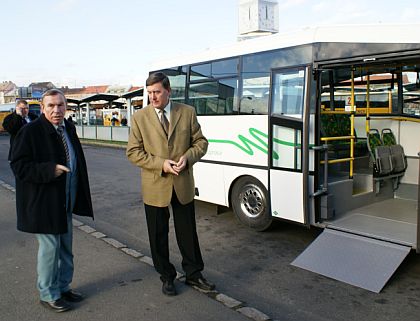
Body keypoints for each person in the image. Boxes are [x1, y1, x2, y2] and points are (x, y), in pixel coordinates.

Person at [126, 72, 215, 296]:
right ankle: (166, 276)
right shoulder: (139, 117)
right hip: (155, 184)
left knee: (188, 233)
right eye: (149, 93)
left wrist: (189, 157)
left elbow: (201, 142)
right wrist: (161, 164)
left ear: (168, 91)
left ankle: (194, 274)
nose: (152, 97)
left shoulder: (187, 112)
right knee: (157, 235)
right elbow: (133, 153)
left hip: (182, 184)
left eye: (156, 92)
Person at [10, 89, 94, 313]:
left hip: (66, 199)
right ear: (43, 107)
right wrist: (49, 170)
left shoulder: (68, 127)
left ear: (66, 107)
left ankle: (63, 287)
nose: (56, 110)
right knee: (50, 248)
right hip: (44, 202)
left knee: (66, 246)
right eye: (51, 106)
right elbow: (18, 165)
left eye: (60, 105)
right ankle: (48, 294)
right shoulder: (31, 132)